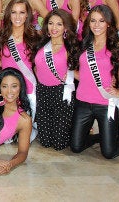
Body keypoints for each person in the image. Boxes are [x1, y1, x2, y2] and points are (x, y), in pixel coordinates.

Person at [71, 5, 119, 159]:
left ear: (109, 23)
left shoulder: (118, 45)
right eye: (93, 21)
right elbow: (82, 73)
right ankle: (102, 136)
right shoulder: (84, 44)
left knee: (109, 153)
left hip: (106, 104)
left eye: (101, 21)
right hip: (82, 103)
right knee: (76, 147)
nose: (96, 25)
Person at [31, 10, 78, 150]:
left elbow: (84, 73)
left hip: (61, 95)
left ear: (65, 27)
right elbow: (34, 66)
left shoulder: (70, 47)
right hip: (42, 93)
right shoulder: (41, 44)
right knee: (45, 142)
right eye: (51, 23)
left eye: (59, 24)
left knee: (59, 144)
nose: (54, 28)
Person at [0, 0, 38, 140]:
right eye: (14, 12)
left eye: (22, 12)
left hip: (28, 89)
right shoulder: (2, 35)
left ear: (27, 15)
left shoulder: (34, 36)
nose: (18, 17)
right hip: (7, 90)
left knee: (25, 137)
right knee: (6, 139)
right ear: (9, 14)